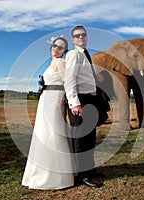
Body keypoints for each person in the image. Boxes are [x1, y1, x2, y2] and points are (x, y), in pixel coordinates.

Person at [22, 37, 74, 190]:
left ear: (64, 51)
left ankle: (58, 176)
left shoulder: (61, 63)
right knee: (43, 132)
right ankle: (39, 171)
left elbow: (68, 83)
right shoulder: (51, 64)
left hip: (55, 100)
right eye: (55, 45)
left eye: (61, 47)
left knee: (53, 132)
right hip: (46, 99)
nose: (56, 49)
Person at [64, 26, 104, 188]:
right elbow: (69, 79)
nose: (80, 37)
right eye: (77, 36)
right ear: (73, 40)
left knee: (90, 137)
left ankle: (90, 169)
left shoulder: (85, 55)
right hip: (80, 101)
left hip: (90, 100)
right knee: (81, 139)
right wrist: (74, 103)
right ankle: (82, 175)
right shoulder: (74, 54)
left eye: (83, 35)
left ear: (87, 37)